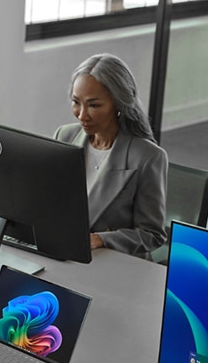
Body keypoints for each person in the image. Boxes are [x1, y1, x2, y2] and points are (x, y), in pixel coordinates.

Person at [55, 53, 167, 260]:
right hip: (65, 252)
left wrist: (102, 239)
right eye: (76, 102)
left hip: (115, 262)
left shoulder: (148, 157)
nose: (82, 115)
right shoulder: (64, 136)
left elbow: (153, 234)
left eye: (94, 105)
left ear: (118, 104)